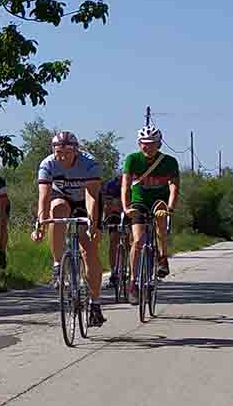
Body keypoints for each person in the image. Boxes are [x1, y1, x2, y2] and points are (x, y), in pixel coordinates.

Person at [32, 130, 105, 327]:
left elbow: (92, 197)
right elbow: (44, 197)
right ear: (53, 151)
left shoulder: (90, 164)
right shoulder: (47, 165)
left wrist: (93, 222)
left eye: (67, 152)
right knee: (57, 211)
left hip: (85, 201)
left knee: (90, 251)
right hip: (61, 197)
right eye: (58, 152)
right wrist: (40, 223)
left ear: (76, 151)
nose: (62, 157)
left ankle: (95, 304)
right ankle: (58, 265)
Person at [122, 121, 181, 279]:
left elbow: (174, 187)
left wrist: (170, 207)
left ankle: (163, 257)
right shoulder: (132, 159)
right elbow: (125, 186)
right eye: (144, 144)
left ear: (159, 144)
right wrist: (126, 207)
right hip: (139, 201)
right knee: (137, 240)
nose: (148, 147)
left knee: (161, 216)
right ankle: (133, 281)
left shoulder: (169, 162)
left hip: (159, 201)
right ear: (139, 144)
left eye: (152, 144)